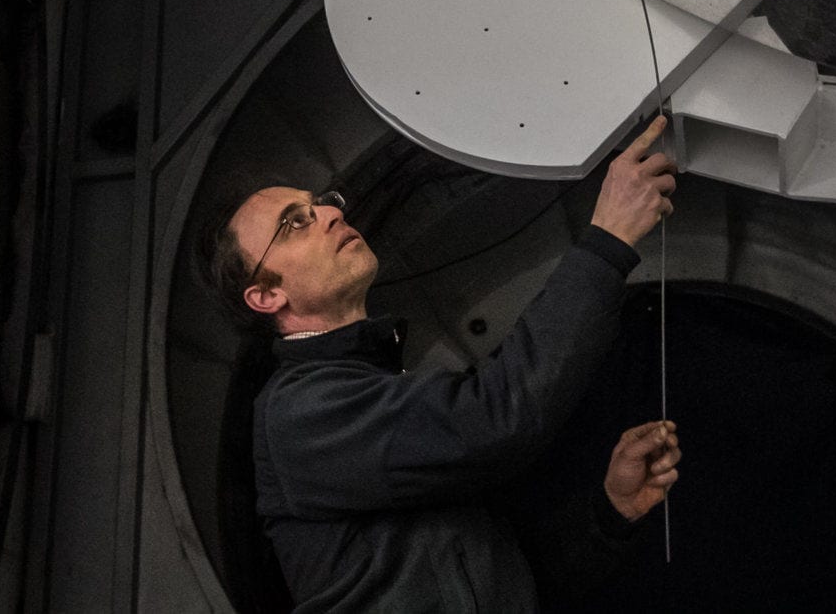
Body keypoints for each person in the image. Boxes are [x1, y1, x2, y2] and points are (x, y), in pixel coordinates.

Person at [201, 116, 682, 613]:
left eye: (319, 203)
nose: (328, 214)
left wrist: (610, 512)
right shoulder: (300, 413)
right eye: (294, 222)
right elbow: (496, 417)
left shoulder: (365, 391)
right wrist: (608, 239)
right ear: (265, 295)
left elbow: (505, 588)